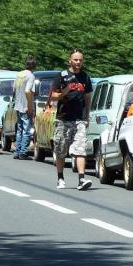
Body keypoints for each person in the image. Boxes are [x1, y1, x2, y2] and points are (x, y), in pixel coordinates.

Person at [51, 48, 93, 190]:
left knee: (80, 149)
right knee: (61, 150)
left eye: (80, 60)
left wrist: (87, 115)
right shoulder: (61, 76)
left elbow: (88, 97)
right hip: (63, 119)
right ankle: (60, 178)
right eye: (75, 60)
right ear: (70, 60)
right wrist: (65, 92)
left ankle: (82, 179)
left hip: (79, 119)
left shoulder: (85, 77)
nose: (78, 62)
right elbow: (53, 96)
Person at [12, 55, 37, 160]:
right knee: (27, 130)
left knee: (19, 130)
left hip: (17, 105)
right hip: (25, 106)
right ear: (34, 66)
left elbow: (13, 89)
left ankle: (17, 152)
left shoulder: (19, 74)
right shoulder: (31, 76)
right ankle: (23, 152)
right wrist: (30, 106)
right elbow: (28, 91)